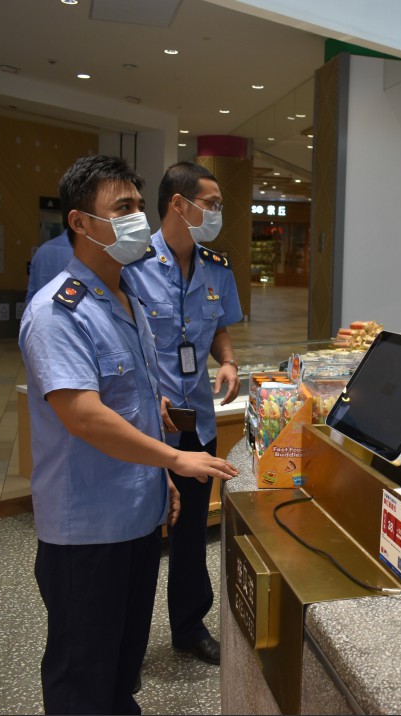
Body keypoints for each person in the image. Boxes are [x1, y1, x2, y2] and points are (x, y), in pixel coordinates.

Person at [19, 155, 238, 715]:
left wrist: (159, 477)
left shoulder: (126, 301)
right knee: (83, 676)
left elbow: (139, 401)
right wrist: (176, 459)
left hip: (137, 516)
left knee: (121, 670)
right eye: (123, 208)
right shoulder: (58, 313)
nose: (138, 218)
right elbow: (85, 416)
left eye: (138, 206)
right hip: (87, 529)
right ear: (81, 223)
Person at [123, 161, 243, 666]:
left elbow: (218, 328)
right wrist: (149, 397)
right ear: (180, 204)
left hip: (198, 424)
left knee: (192, 532)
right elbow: (123, 340)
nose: (217, 213)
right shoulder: (132, 265)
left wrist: (230, 361)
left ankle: (190, 627)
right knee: (141, 533)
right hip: (149, 426)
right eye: (211, 204)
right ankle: (126, 634)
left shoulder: (216, 266)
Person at [26, 231, 73, 305]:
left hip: (39, 311)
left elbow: (31, 295)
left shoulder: (41, 250)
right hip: (69, 313)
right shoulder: (80, 253)